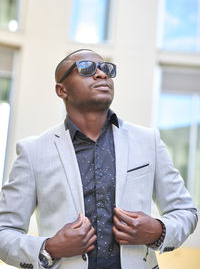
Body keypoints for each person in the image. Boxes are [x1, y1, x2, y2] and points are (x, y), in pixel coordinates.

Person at [0, 48, 197, 269]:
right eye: (86, 68)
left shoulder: (147, 141)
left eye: (106, 69)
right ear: (61, 89)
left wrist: (158, 231)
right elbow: (4, 232)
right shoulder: (33, 152)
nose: (102, 74)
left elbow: (186, 212)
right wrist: (50, 247)